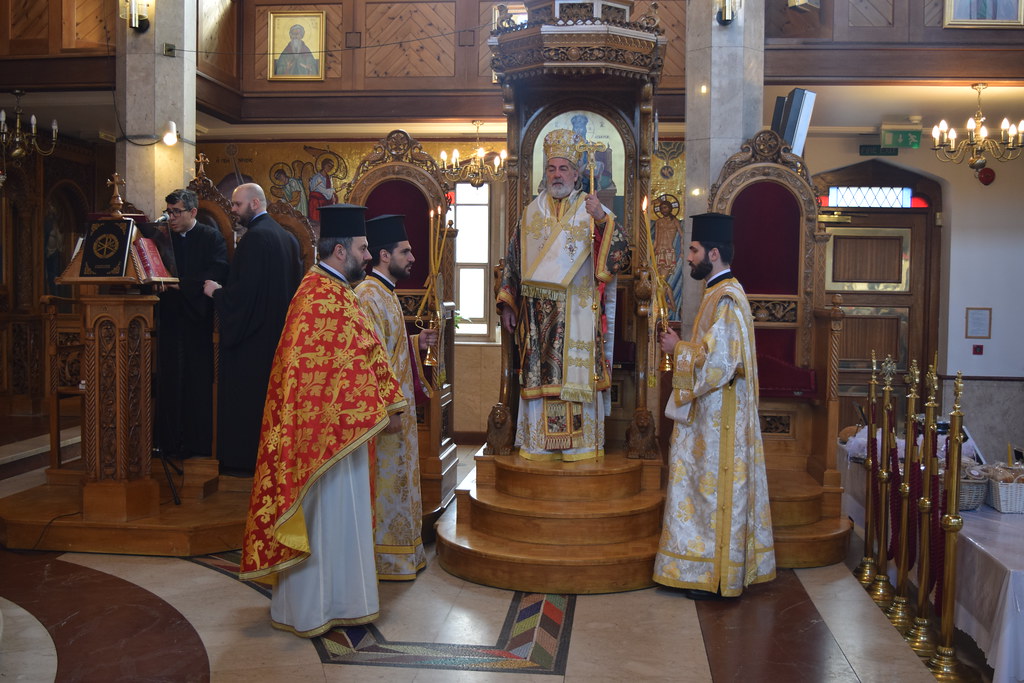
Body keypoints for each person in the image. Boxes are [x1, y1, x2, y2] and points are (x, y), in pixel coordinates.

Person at [238, 203, 407, 637]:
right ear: (339, 252)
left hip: (341, 437)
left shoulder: (335, 292)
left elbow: (361, 357)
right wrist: (376, 405)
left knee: (342, 518)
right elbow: (311, 376)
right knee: (325, 519)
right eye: (363, 248)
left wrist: (383, 401)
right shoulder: (316, 296)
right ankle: (315, 607)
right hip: (321, 444)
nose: (369, 256)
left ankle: (345, 601)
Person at [654, 212, 775, 599]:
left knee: (710, 491)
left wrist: (679, 350)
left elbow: (722, 362)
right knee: (695, 487)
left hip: (720, 416)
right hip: (710, 411)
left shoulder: (727, 298)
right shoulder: (714, 292)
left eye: (693, 250)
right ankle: (694, 567)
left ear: (714, 252)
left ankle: (712, 575)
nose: (688, 257)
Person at [497, 128, 630, 462]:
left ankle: (581, 446)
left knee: (575, 373)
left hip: (578, 312)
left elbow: (619, 258)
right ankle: (540, 444)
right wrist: (508, 303)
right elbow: (513, 260)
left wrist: (601, 221)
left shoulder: (593, 211)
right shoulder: (530, 214)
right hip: (537, 314)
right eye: (552, 169)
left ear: (576, 173)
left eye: (563, 169)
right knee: (541, 376)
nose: (557, 175)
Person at [354, 214, 436, 581]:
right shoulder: (367, 296)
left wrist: (418, 343)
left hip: (398, 413)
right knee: (386, 486)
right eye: (406, 251)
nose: (413, 257)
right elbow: (370, 361)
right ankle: (386, 558)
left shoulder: (385, 294)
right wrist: (389, 410)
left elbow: (389, 347)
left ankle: (404, 554)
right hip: (385, 417)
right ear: (384, 255)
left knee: (400, 483)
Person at [203, 183, 303, 476]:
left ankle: (242, 463)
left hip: (252, 342)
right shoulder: (286, 238)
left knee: (248, 406)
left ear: (255, 203)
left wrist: (217, 293)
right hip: (276, 337)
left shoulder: (255, 239)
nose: (232, 211)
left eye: (236, 205)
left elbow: (244, 296)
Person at [156, 189, 229, 461]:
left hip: (199, 321)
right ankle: (168, 443)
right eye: (169, 212)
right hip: (169, 318)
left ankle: (198, 444)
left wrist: (181, 285)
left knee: (196, 382)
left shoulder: (211, 237)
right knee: (169, 380)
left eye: (176, 212)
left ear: (193, 212)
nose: (171, 218)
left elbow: (217, 272)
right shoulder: (163, 238)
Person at [307, 157, 336, 222]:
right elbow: (323, 190)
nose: (330, 168)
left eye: (331, 167)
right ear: (324, 165)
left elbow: (330, 190)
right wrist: (337, 189)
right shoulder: (317, 178)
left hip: (325, 200)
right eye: (328, 166)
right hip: (317, 202)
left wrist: (333, 196)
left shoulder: (329, 177)